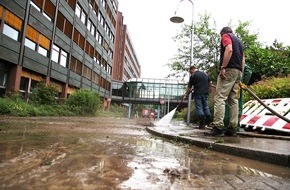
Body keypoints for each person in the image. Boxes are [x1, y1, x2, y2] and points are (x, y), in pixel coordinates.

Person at [205, 26, 245, 136]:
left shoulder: (226, 36)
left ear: (222, 33)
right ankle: (232, 128)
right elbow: (243, 59)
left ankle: (218, 127)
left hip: (228, 70)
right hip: (238, 71)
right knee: (233, 100)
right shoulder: (239, 42)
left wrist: (223, 67)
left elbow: (229, 49)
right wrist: (240, 73)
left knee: (220, 98)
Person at [183, 65, 212, 129]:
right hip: (205, 93)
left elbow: (189, 87)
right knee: (206, 107)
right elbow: (210, 82)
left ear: (192, 70)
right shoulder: (205, 74)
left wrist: (186, 95)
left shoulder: (193, 76)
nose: (190, 73)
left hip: (197, 93)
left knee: (199, 108)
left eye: (190, 72)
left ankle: (202, 124)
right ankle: (208, 122)